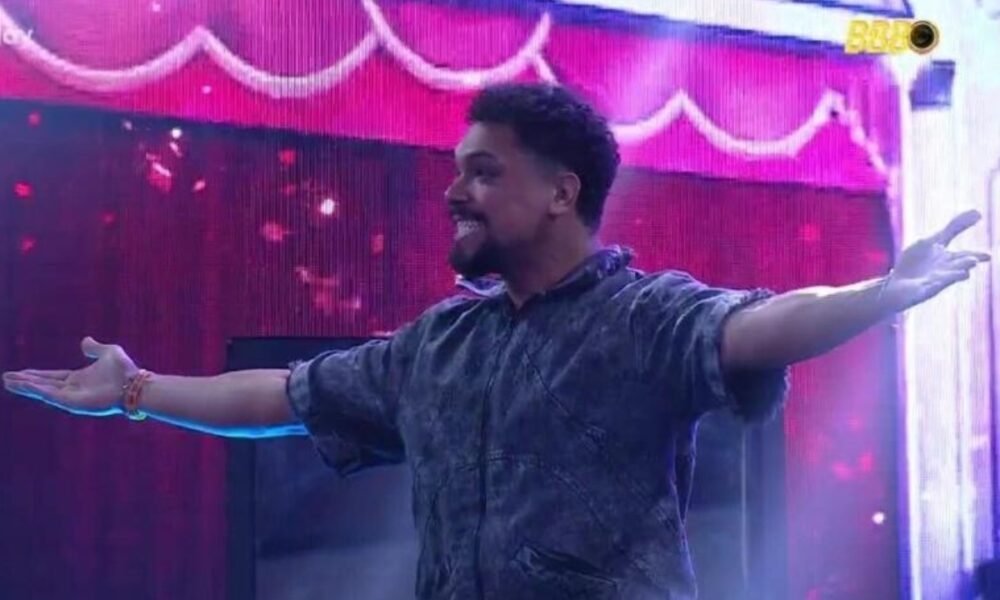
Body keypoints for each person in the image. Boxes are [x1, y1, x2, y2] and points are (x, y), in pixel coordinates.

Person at [2, 83, 990, 600]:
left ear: (561, 192)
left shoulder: (640, 316)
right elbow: (284, 396)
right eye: (456, 172)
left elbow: (757, 324)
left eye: (483, 172)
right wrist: (135, 390)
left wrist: (877, 295)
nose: (454, 193)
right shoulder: (439, 344)